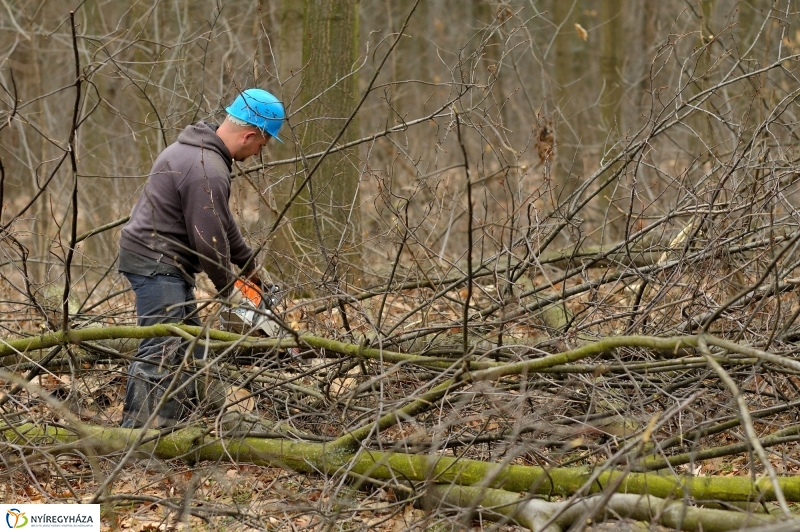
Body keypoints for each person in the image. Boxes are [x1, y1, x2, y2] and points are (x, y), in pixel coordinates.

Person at [117, 88, 284, 428]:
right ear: (250, 135)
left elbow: (222, 224)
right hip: (155, 262)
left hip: (163, 262)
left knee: (191, 344)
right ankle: (136, 438)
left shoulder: (199, 154)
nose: (257, 154)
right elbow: (209, 243)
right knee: (161, 347)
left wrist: (250, 269)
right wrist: (230, 291)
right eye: (260, 147)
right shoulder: (206, 167)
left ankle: (180, 421)